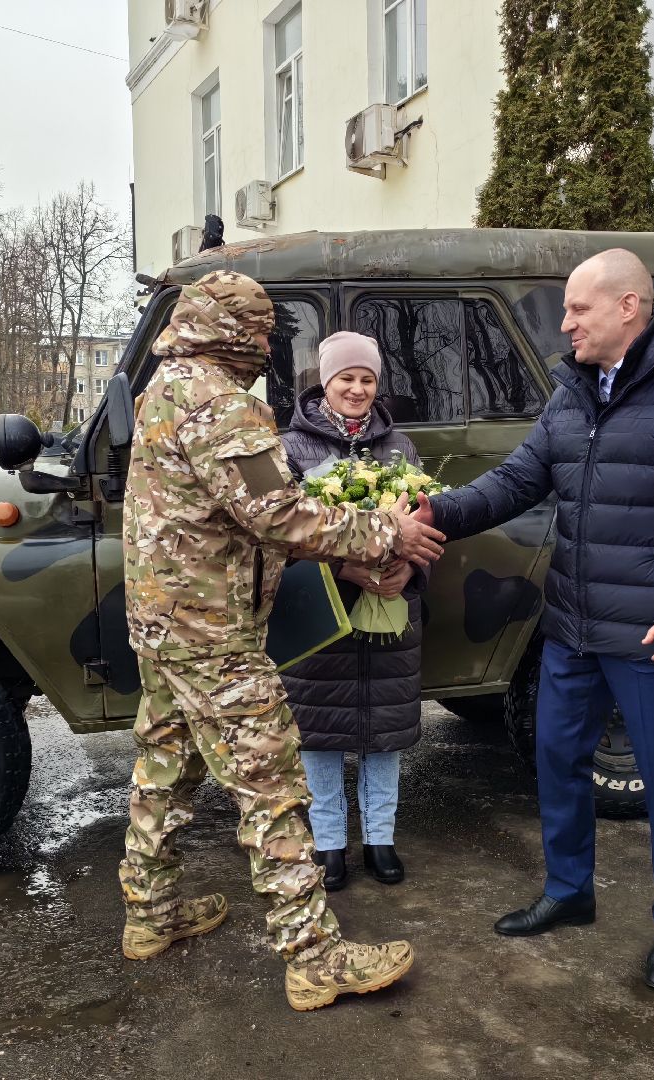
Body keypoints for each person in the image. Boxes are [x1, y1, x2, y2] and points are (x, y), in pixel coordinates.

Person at [415, 249, 654, 991]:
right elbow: (516, 480)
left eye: (579, 309)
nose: (566, 323)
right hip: (572, 625)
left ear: (628, 308)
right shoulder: (572, 392)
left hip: (650, 631)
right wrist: (436, 510)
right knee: (556, 758)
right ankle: (569, 891)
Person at [119, 270, 447, 1012]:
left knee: (165, 769)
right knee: (271, 786)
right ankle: (312, 956)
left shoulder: (165, 389)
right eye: (263, 331)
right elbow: (280, 516)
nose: (269, 345)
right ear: (237, 333)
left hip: (164, 622)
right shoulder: (217, 402)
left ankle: (150, 912)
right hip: (212, 632)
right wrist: (382, 529)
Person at [279, 332, 426, 889]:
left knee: (384, 733)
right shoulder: (291, 448)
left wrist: (410, 569)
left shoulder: (400, 448)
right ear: (326, 383)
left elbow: (424, 520)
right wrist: (343, 568)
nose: (358, 389)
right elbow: (278, 536)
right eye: (347, 378)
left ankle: (381, 840)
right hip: (323, 616)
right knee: (320, 732)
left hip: (390, 610)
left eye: (367, 379)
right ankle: (330, 843)